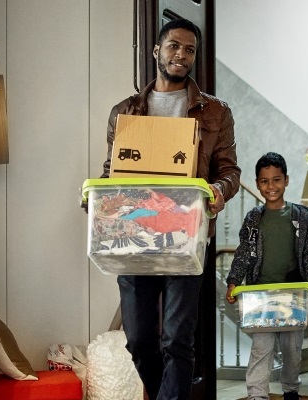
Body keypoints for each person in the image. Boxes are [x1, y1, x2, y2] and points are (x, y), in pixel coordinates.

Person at [98, 18, 241, 400]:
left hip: (186, 234)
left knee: (178, 338)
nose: (181, 55)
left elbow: (230, 171)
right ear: (157, 50)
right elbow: (112, 173)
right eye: (174, 46)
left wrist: (217, 189)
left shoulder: (215, 113)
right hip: (136, 237)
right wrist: (97, 203)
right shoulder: (124, 111)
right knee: (140, 338)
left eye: (189, 50)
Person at [225, 152, 308, 400]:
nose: (271, 186)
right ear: (258, 183)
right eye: (265, 181)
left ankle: (291, 390)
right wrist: (233, 281)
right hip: (260, 295)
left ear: (286, 180)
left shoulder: (300, 217)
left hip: (293, 295)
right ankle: (257, 395)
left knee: (292, 351)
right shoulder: (254, 219)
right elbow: (244, 252)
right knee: (262, 348)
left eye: (276, 180)